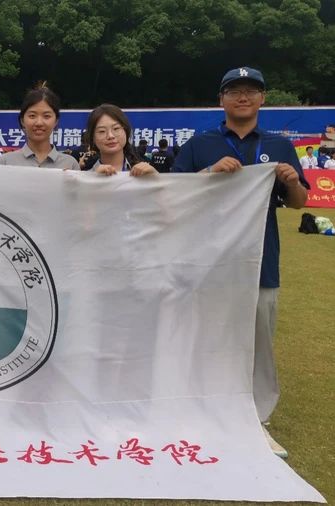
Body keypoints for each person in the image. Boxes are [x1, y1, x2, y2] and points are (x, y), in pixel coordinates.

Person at [174, 67, 309, 459]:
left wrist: (291, 181)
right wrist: (209, 173)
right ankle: (201, 408)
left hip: (261, 259)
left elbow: (299, 202)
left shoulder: (279, 145)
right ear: (222, 99)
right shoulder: (201, 144)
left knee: (258, 341)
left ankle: (257, 418)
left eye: (251, 90)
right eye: (234, 91)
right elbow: (175, 194)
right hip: (208, 262)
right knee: (205, 337)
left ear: (263, 98)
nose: (243, 97)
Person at [0, 85, 80, 170]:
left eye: (46, 116)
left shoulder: (70, 164)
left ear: (56, 121)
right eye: (32, 116)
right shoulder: (5, 162)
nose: (39, 123)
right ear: (22, 120)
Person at [85, 104, 157, 176]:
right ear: (92, 137)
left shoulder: (143, 173)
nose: (110, 136)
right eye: (102, 131)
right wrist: (93, 180)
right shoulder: (84, 178)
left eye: (116, 128)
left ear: (126, 131)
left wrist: (155, 177)